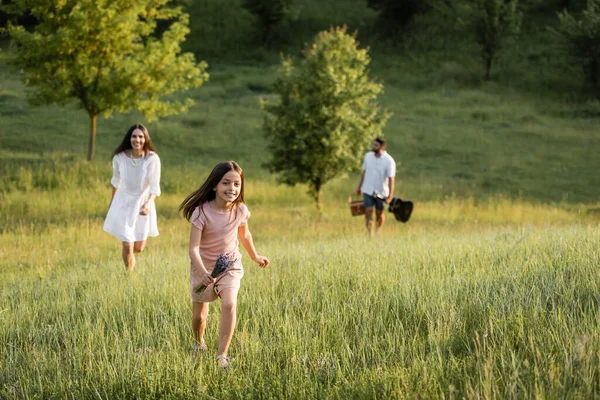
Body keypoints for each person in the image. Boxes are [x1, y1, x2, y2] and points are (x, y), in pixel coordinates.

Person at [179, 161, 269, 370]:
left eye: (236, 184)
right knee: (199, 315)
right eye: (226, 183)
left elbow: (244, 234)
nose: (232, 189)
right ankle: (199, 344)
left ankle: (222, 356)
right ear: (214, 186)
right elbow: (193, 249)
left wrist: (255, 256)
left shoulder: (240, 210)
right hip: (204, 267)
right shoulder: (201, 212)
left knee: (229, 304)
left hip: (229, 264)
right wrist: (202, 273)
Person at [103, 123, 161, 271]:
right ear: (129, 138)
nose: (137, 140)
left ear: (145, 139)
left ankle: (128, 252)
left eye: (141, 137)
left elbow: (154, 187)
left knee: (139, 247)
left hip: (143, 203)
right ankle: (130, 276)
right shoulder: (119, 158)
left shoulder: (152, 159)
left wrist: (148, 203)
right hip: (123, 202)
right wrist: (112, 201)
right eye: (134, 136)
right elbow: (116, 181)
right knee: (127, 243)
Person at [355, 137, 396, 236]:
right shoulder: (368, 156)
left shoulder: (389, 161)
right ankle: (370, 234)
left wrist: (390, 195)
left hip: (381, 192)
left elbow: (391, 179)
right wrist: (359, 187)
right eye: (373, 145)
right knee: (368, 211)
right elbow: (364, 172)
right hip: (368, 189)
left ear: (382, 147)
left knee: (379, 212)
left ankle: (378, 230)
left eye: (376, 145)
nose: (373, 147)